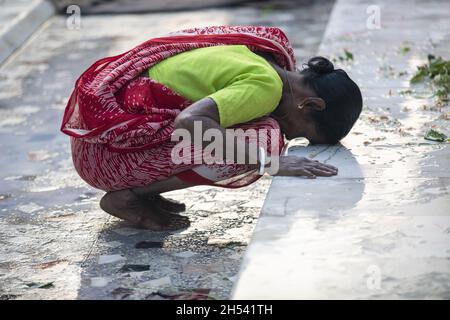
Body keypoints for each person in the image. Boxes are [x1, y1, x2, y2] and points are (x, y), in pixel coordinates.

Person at [61, 26, 362, 231]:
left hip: (95, 142)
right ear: (310, 105)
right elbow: (189, 123)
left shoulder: (269, 56)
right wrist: (270, 162)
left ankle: (145, 191)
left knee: (249, 134)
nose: (292, 137)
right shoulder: (266, 87)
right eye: (303, 133)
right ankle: (130, 195)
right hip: (102, 158)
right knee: (265, 139)